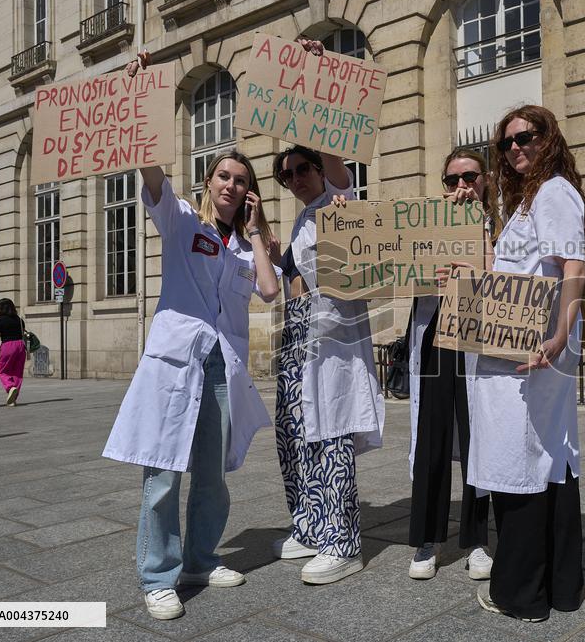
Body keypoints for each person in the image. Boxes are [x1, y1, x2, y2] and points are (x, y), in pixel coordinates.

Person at [103, 46, 282, 624]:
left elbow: (270, 291)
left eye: (242, 181)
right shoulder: (180, 220)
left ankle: (202, 559)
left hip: (222, 367)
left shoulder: (242, 247)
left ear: (249, 193)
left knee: (211, 475)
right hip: (177, 361)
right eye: (224, 176)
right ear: (209, 181)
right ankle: (159, 576)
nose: (231, 185)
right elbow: (150, 170)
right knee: (162, 472)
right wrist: (140, 99)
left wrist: (256, 232)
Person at [463, 105, 585, 622]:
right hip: (516, 346)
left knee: (516, 458)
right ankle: (555, 586)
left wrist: (560, 333)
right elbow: (506, 269)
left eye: (526, 137)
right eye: (507, 142)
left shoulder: (554, 190)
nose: (515, 147)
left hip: (532, 349)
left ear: (548, 139)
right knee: (542, 456)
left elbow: (573, 264)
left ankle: (520, 594)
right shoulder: (527, 200)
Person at [271, 39, 384, 586]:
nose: (295, 179)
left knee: (332, 429)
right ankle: (312, 524)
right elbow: (296, 275)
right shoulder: (301, 220)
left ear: (320, 169)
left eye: (302, 169)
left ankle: (344, 542)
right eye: (287, 174)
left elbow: (338, 155)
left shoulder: (341, 200)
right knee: (299, 433)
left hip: (334, 338)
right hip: (299, 338)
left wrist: (318, 80)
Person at [405, 148, 499, 581]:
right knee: (433, 436)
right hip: (435, 334)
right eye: (452, 179)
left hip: (477, 337)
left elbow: (503, 280)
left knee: (478, 434)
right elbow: (385, 264)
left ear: (486, 180)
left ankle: (477, 538)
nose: (461, 186)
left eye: (470, 177)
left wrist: (477, 230)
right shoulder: (422, 224)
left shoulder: (500, 225)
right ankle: (428, 538)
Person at [0, 298, 27, 406]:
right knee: (17, 373)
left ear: (1, 308)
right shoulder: (19, 320)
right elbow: (23, 334)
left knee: (3, 371)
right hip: (20, 346)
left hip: (8, 346)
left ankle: (10, 387)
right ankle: (12, 399)